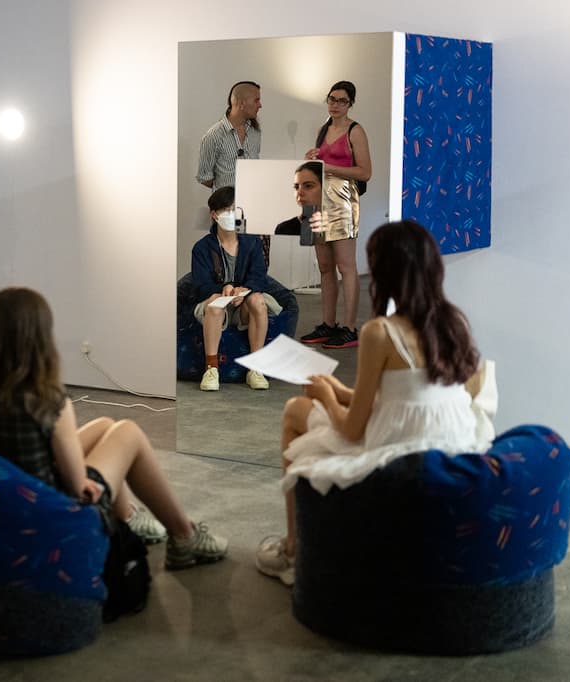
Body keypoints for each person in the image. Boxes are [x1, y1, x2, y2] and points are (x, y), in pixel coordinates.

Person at [254, 220, 496, 586]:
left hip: (397, 451)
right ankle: (295, 546)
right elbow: (407, 398)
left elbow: (353, 428)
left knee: (295, 412)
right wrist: (337, 388)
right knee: (314, 405)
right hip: (450, 445)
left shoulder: (380, 332)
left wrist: (324, 395)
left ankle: (294, 548)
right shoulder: (453, 323)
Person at [0, 287, 228, 570]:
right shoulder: (47, 398)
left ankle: (128, 517)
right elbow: (77, 482)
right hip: (49, 507)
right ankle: (184, 536)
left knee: (106, 426)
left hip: (2, 497)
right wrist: (86, 484)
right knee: (128, 433)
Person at [299, 80, 372, 350]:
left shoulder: (355, 131)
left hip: (342, 201)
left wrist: (329, 167)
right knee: (324, 266)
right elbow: (319, 166)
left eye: (341, 100)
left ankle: (349, 327)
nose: (335, 104)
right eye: (331, 99)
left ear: (350, 103)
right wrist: (313, 161)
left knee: (345, 266)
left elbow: (365, 173)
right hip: (316, 201)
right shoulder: (322, 130)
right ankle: (327, 324)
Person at [190, 186, 270, 391]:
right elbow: (200, 285)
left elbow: (260, 276)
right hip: (214, 305)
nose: (231, 214)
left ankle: (255, 368)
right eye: (226, 210)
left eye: (235, 209)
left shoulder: (252, 242)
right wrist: (222, 288)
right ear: (214, 214)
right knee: (216, 304)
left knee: (258, 300)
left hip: (242, 304)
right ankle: (211, 368)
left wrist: (244, 290)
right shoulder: (202, 248)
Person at [196, 80, 262, 191]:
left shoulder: (255, 132)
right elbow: (205, 178)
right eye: (256, 100)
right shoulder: (213, 136)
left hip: (252, 200)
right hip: (225, 206)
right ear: (241, 104)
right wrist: (226, 188)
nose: (260, 105)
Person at [274, 161, 323, 238]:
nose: (299, 193)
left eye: (308, 186)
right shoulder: (284, 229)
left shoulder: (340, 227)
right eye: (296, 187)